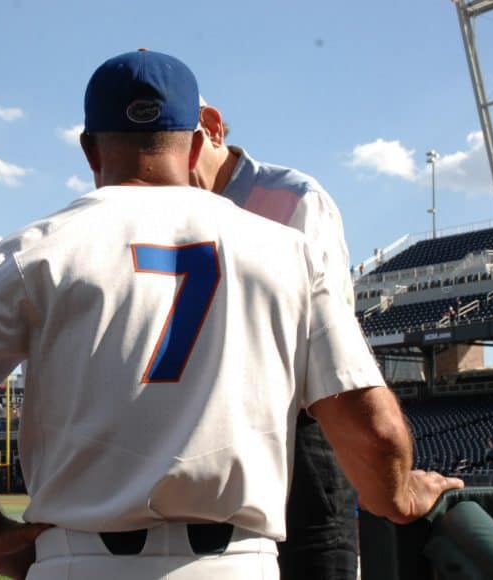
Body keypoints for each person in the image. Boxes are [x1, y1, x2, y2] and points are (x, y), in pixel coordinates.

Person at [0, 49, 464, 580]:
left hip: (78, 561)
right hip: (237, 564)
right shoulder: (286, 249)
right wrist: (402, 496)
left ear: (90, 150)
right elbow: (373, 430)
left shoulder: (40, 246)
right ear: (194, 144)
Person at [190, 96, 359, 579]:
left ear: (213, 128)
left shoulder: (295, 198)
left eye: (182, 146)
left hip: (302, 427)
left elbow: (325, 338)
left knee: (316, 561)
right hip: (221, 435)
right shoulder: (175, 208)